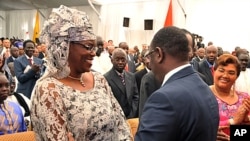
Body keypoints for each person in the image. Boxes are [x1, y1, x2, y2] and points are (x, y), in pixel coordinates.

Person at [30, 5, 131, 141]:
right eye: (88, 47)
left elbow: (122, 126)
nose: (93, 53)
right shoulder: (49, 89)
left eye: (94, 47)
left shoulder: (99, 80)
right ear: (65, 46)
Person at [135, 26, 219, 141]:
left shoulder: (163, 99)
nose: (149, 61)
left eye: (150, 55)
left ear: (159, 54)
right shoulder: (204, 87)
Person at [209, 54, 250, 140]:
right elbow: (196, 128)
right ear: (213, 71)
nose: (225, 76)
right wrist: (232, 121)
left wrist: (246, 121)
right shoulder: (201, 96)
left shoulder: (244, 98)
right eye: (221, 70)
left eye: (231, 73)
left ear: (236, 76)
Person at [104, 48, 139, 119]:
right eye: (117, 60)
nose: (120, 62)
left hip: (131, 117)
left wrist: (132, 114)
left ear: (126, 61)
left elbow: (135, 97)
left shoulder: (131, 76)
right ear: (112, 60)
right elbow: (107, 102)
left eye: (123, 60)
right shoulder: (106, 78)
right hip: (116, 118)